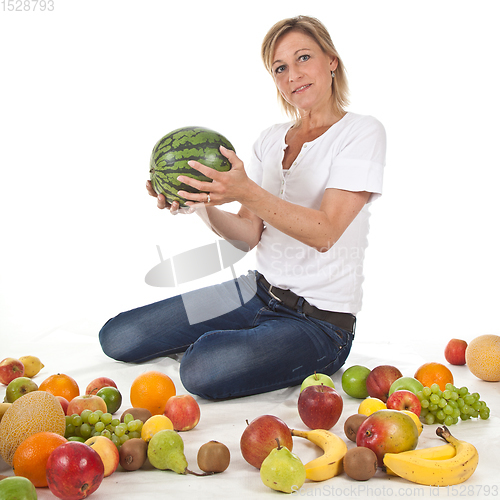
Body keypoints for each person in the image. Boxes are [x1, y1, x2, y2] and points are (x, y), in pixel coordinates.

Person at [99, 15, 386, 400]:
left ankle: (253, 346)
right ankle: (249, 341)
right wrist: (200, 200)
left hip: (319, 324)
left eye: (303, 58)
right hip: (255, 292)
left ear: (331, 60)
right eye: (279, 68)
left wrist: (244, 189)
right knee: (119, 337)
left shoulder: (361, 132)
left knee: (200, 367)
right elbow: (248, 235)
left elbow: (326, 232)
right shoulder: (270, 140)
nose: (292, 76)